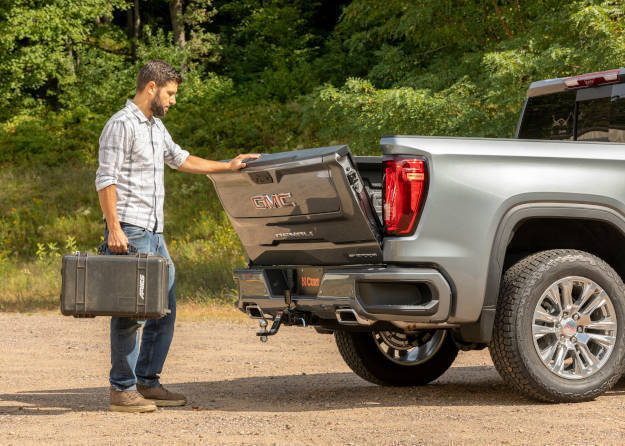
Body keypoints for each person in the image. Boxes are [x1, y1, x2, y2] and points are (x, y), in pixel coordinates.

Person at [95, 59, 260, 413]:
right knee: (131, 312)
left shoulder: (154, 128)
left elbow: (180, 158)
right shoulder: (121, 125)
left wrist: (227, 166)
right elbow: (105, 179)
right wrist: (114, 229)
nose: (173, 100)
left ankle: (147, 382)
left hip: (155, 232)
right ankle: (121, 389)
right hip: (131, 230)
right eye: (170, 93)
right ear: (151, 87)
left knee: (164, 309)